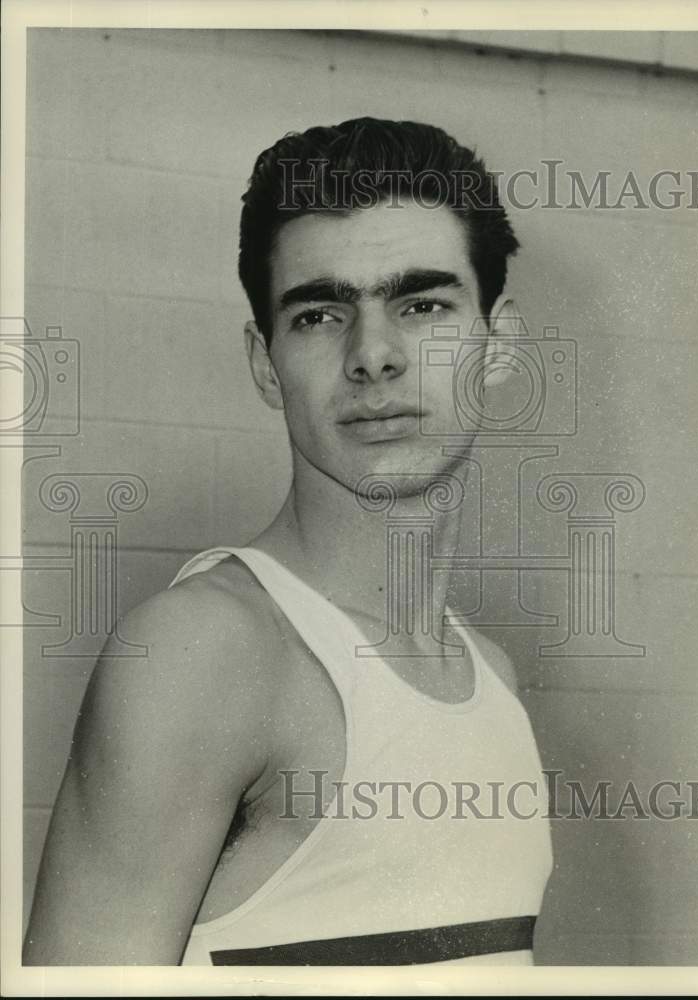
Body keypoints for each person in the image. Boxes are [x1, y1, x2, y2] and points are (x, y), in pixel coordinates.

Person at [23, 118, 553, 966]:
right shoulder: (205, 652)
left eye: (421, 305)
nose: (373, 355)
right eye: (319, 314)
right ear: (265, 364)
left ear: (499, 344)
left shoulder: (489, 673)